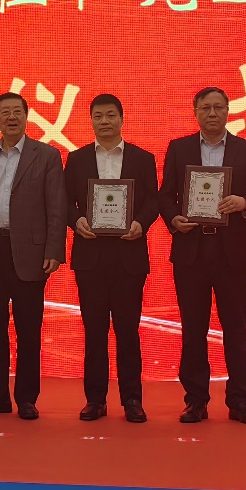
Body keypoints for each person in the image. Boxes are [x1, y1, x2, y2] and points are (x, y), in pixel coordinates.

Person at [158, 87, 246, 425]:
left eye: (218, 107)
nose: (212, 113)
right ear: (195, 112)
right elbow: (164, 196)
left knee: (235, 327)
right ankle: (195, 400)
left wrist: (244, 202)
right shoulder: (179, 149)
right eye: (205, 108)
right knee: (193, 328)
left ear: (228, 111)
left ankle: (240, 400)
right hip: (191, 251)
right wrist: (174, 219)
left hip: (232, 253)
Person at [0, 92, 66, 420]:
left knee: (28, 330)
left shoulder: (46, 155)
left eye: (17, 111)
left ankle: (27, 398)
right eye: (4, 112)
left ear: (26, 116)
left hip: (30, 253)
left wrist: (54, 250)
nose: (11, 117)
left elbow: (57, 207)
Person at [63, 94, 159, 423]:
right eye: (98, 116)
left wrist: (141, 223)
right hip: (90, 256)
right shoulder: (76, 159)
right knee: (94, 331)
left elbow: (153, 200)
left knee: (128, 331)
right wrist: (76, 220)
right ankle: (95, 400)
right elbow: (65, 201)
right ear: (91, 120)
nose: (105, 121)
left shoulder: (142, 158)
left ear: (122, 119)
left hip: (129, 256)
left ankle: (132, 400)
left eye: (111, 115)